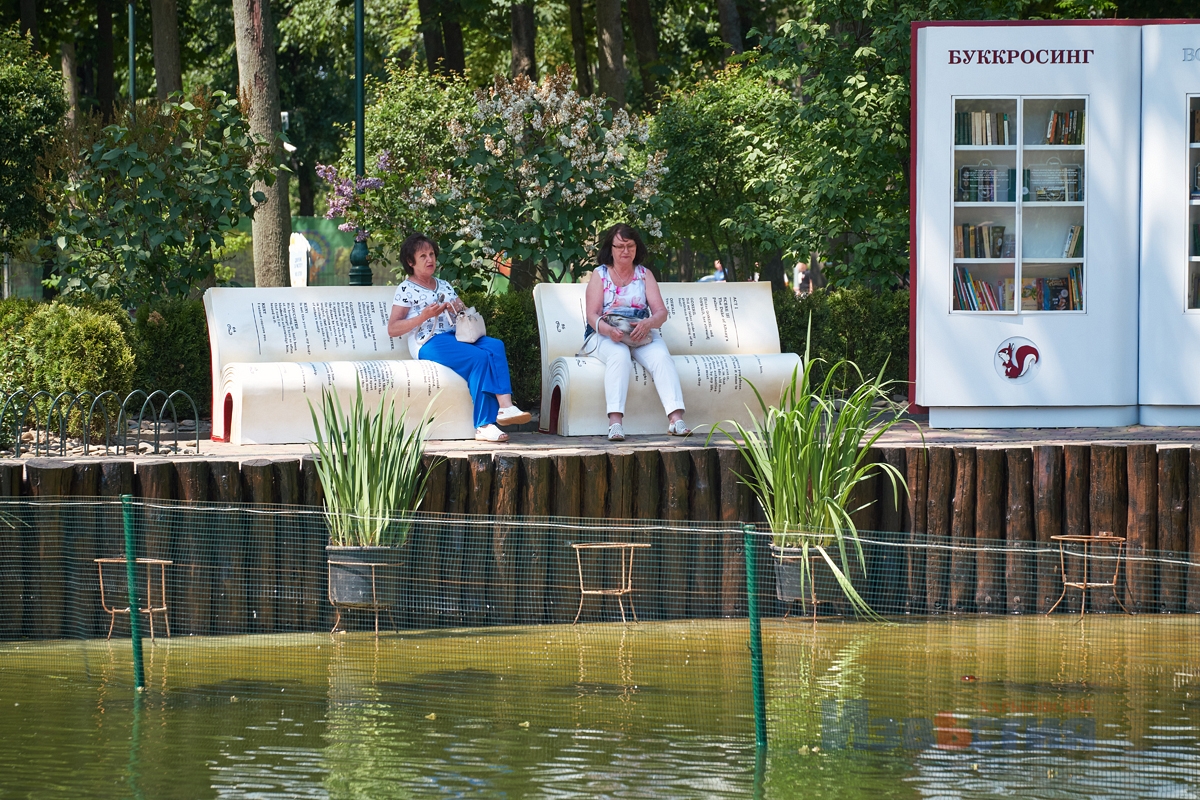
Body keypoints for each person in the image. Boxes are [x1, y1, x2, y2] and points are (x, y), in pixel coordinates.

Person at [387, 233, 530, 442]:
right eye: (423, 256)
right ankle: (483, 425)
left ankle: (506, 407)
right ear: (411, 262)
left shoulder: (443, 284)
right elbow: (393, 329)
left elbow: (461, 310)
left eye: (432, 254)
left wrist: (458, 308)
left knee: (495, 346)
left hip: (456, 335)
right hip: (428, 342)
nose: (430, 260)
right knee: (479, 358)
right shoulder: (406, 289)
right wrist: (424, 316)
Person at [583, 223, 690, 442]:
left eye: (630, 246)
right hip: (606, 333)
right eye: (620, 246)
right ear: (610, 248)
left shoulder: (644, 275)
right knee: (619, 355)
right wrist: (608, 330)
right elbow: (592, 315)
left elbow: (661, 312)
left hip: (641, 333)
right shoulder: (599, 275)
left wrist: (648, 323)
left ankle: (675, 419)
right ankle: (615, 423)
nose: (625, 251)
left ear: (636, 247)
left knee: (661, 357)